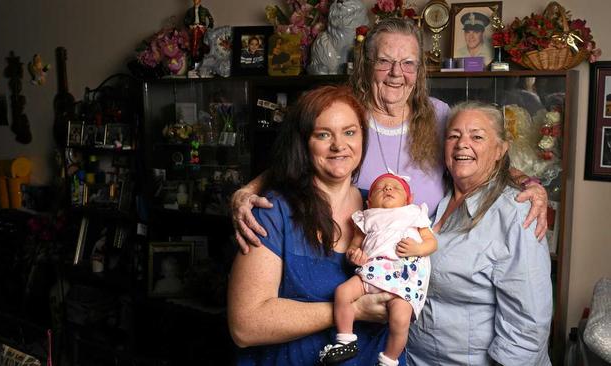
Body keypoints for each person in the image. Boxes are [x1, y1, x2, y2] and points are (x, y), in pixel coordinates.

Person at [231, 17, 547, 253]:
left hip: (418, 277)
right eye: (385, 61)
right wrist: (247, 190)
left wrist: (531, 185)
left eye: (408, 63)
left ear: (419, 70)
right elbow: (297, 160)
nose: (397, 73)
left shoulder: (439, 115)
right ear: (367, 66)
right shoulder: (345, 114)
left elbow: (483, 160)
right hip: (344, 264)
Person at [227, 85, 401, 365]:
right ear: (304, 143)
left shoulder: (381, 209)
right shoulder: (272, 212)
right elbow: (245, 325)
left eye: (350, 132)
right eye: (323, 134)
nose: (339, 146)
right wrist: (352, 310)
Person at [406, 101, 553, 365]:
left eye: (477, 136)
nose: (463, 144)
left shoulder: (516, 213)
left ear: (500, 150)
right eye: (454, 135)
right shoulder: (436, 197)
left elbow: (527, 329)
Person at [319, 173, 436, 365]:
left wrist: (418, 248)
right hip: (373, 271)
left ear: (409, 199)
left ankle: (389, 359)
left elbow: (432, 243)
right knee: (342, 292)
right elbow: (354, 246)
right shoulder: (366, 218)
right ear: (369, 202)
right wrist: (353, 256)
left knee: (400, 318)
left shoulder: (413, 213)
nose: (388, 189)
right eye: (380, 188)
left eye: (395, 188)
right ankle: (346, 341)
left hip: (403, 277)